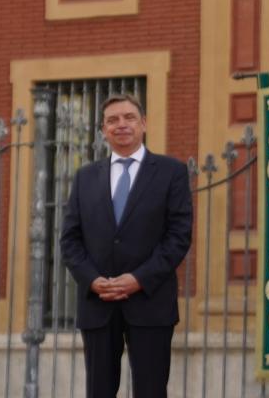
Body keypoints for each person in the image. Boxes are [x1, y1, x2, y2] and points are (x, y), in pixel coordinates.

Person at [60, 93, 193, 398]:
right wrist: (93, 280)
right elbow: (70, 239)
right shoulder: (85, 177)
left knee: (151, 391)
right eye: (112, 120)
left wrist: (138, 279)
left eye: (129, 117)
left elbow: (178, 236)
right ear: (103, 130)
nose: (121, 125)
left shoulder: (171, 172)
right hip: (98, 304)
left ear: (143, 123)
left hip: (150, 302)